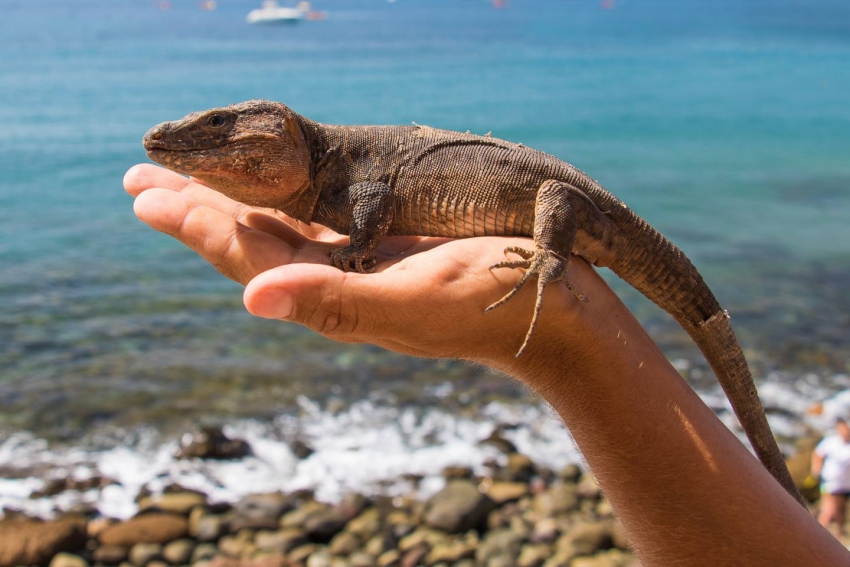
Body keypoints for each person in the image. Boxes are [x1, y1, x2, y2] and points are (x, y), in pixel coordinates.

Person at [125, 163, 850, 566]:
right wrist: (574, 335)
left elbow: (546, 197)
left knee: (714, 342)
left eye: (221, 129)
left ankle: (782, 477)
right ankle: (783, 486)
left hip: (573, 214)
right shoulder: (334, 170)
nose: (198, 144)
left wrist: (554, 275)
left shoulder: (345, 173)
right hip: (557, 212)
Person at [812, 416, 850, 538]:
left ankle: (839, 536)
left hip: (845, 484)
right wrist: (816, 469)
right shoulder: (831, 442)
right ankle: (817, 534)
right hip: (829, 481)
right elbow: (818, 454)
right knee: (829, 509)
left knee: (841, 511)